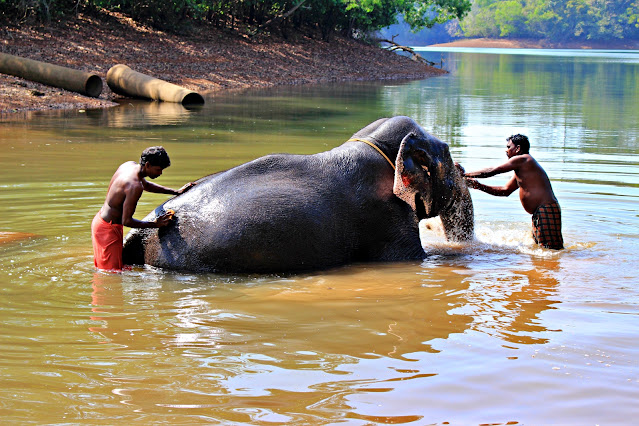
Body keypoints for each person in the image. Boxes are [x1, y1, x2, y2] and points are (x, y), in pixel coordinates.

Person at [91, 146, 195, 271]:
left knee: (113, 268)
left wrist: (175, 192)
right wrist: (155, 224)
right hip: (108, 230)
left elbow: (146, 185)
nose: (160, 173)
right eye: (158, 169)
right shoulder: (134, 186)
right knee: (110, 275)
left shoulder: (129, 166)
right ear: (147, 165)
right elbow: (127, 221)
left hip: (102, 221)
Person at [460, 134, 564, 250]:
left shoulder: (523, 159)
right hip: (540, 212)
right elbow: (505, 191)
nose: (506, 150)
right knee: (544, 250)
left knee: (550, 250)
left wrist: (464, 174)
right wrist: (479, 186)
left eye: (509, 147)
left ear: (518, 148)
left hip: (545, 210)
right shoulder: (523, 167)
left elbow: (493, 170)